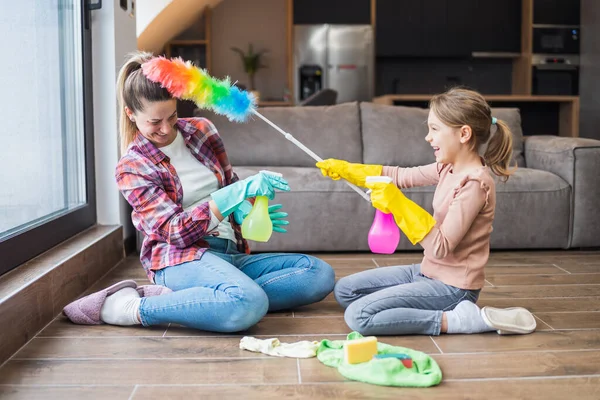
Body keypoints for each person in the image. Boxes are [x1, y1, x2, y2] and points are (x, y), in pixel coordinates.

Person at [63, 51, 335, 332]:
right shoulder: (131, 168)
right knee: (248, 303)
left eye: (171, 115)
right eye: (154, 122)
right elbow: (175, 232)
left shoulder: (201, 130)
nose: (166, 128)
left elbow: (229, 183)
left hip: (229, 252)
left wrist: (244, 210)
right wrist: (234, 196)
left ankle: (216, 297)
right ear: (130, 114)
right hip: (179, 259)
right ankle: (132, 307)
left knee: (317, 275)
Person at [316, 88, 536, 336]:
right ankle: (410, 302)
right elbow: (399, 175)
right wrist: (347, 169)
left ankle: (460, 320)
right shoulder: (446, 168)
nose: (428, 138)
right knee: (346, 290)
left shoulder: (474, 184)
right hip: (427, 272)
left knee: (359, 316)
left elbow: (440, 247)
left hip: (453, 287)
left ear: (464, 134)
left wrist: (398, 204)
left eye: (434, 129)